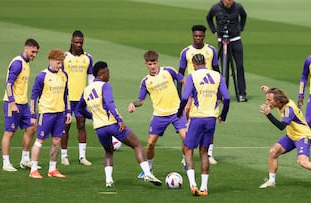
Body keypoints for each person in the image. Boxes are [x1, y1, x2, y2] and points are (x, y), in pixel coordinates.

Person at [77, 61, 162, 188]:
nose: (109, 75)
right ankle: (147, 173)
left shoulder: (86, 90)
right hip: (112, 124)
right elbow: (110, 103)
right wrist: (119, 119)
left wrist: (93, 117)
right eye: (107, 73)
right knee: (137, 145)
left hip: (99, 128)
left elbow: (79, 109)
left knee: (108, 152)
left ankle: (109, 180)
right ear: (101, 74)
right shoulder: (105, 86)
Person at [259, 85, 311, 190]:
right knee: (273, 152)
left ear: (277, 100)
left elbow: (281, 126)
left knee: (303, 162)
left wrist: (268, 114)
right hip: (292, 135)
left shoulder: (288, 109)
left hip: (302, 136)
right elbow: (274, 96)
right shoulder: (281, 102)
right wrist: (267, 91)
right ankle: (271, 181)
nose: (267, 102)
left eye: (269, 100)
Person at [128, 50, 188, 178]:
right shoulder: (146, 81)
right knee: (150, 143)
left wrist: (190, 95)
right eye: (150, 64)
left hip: (177, 111)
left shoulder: (168, 71)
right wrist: (133, 103)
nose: (153, 66)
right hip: (159, 115)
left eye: (154, 63)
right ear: (146, 64)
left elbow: (184, 81)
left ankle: (184, 159)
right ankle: (148, 168)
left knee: (185, 138)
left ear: (158, 62)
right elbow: (141, 100)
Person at [177, 54, 230, 196]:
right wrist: (223, 116)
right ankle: (204, 188)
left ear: (194, 64)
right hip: (211, 119)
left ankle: (193, 184)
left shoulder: (192, 76)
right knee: (204, 152)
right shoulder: (217, 75)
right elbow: (227, 97)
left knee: (188, 150)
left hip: (197, 118)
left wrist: (179, 112)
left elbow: (184, 97)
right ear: (206, 62)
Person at [178, 24, 220, 164]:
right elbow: (180, 73)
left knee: (210, 119)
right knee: (187, 123)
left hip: (207, 91)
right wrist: (179, 94)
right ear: (192, 36)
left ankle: (209, 154)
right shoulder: (186, 52)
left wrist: (219, 93)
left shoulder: (211, 50)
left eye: (200, 36)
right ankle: (186, 155)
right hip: (190, 91)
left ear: (204, 36)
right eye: (195, 36)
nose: (198, 38)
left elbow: (217, 71)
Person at [28, 49, 72, 179]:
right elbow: (33, 96)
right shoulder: (42, 76)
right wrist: (32, 115)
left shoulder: (64, 75)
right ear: (51, 60)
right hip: (46, 113)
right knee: (39, 141)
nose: (60, 66)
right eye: (58, 63)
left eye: (61, 63)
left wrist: (68, 111)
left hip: (60, 114)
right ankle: (33, 169)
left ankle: (52, 169)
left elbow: (66, 95)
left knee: (57, 141)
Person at [2, 38, 40, 171]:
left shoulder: (26, 63)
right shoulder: (18, 63)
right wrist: (12, 102)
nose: (34, 55)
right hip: (12, 103)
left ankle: (25, 159)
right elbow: (8, 84)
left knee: (31, 127)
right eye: (33, 52)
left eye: (36, 53)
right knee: (9, 132)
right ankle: (6, 162)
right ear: (26, 48)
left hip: (23, 104)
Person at [61, 30, 94, 166]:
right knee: (65, 126)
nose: (79, 45)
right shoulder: (64, 57)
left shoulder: (88, 58)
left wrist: (91, 95)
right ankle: (64, 156)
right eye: (76, 42)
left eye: (81, 42)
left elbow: (91, 79)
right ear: (71, 42)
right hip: (67, 98)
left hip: (81, 98)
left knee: (81, 125)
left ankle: (82, 157)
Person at [206, 0, 247, 102]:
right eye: (227, 2)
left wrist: (241, 28)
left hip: (235, 40)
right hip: (222, 41)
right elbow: (209, 18)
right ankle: (224, 93)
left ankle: (242, 93)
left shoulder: (238, 7)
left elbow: (244, 16)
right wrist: (214, 30)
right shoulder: (216, 7)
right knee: (224, 68)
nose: (229, 4)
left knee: (239, 66)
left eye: (230, 2)